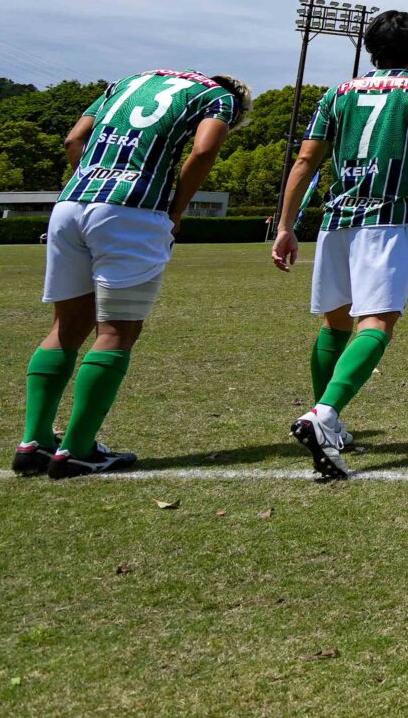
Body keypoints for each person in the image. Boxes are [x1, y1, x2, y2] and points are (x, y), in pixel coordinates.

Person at [19, 68, 247, 477]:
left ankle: (34, 441)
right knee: (115, 332)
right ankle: (77, 449)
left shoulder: (127, 82)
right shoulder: (221, 97)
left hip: (71, 205)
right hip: (132, 212)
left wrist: (93, 182)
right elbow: (203, 151)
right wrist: (175, 209)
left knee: (64, 329)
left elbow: (74, 139)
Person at [272, 11, 408, 481]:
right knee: (378, 321)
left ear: (371, 48)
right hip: (388, 217)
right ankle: (324, 414)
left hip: (337, 218)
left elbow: (306, 159)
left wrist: (286, 224)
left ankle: (328, 419)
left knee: (335, 320)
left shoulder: (337, 92)